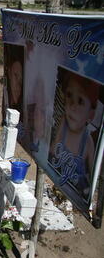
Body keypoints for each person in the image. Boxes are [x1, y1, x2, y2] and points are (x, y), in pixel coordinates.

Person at [49, 70, 100, 201]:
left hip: (77, 191)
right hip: (60, 179)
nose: (72, 105)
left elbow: (93, 172)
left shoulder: (87, 140)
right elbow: (52, 151)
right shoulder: (63, 126)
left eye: (80, 101)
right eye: (69, 95)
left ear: (91, 115)